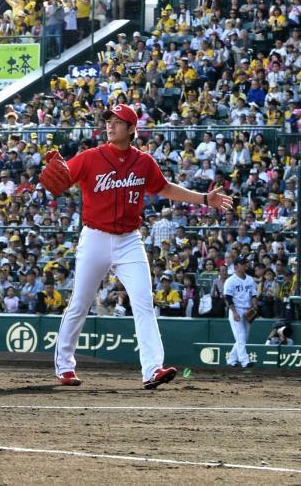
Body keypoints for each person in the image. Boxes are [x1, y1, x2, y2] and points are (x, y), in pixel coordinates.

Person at [43, 103, 233, 389]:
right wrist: (55, 170)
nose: (110, 125)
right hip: (95, 237)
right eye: (108, 121)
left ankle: (152, 369)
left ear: (132, 129)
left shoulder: (143, 162)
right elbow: (62, 178)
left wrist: (204, 200)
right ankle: (65, 367)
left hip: (129, 240)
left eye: (118, 122)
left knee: (144, 303)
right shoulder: (91, 157)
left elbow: (165, 188)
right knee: (80, 303)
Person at [224, 257, 258, 368]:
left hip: (248, 310)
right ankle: (245, 361)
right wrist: (234, 312)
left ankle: (231, 360)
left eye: (245, 264)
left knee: (243, 337)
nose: (244, 265)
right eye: (242, 264)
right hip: (236, 309)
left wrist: (255, 306)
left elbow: (253, 295)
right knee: (241, 336)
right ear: (235, 267)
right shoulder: (230, 281)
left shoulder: (250, 279)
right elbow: (228, 298)